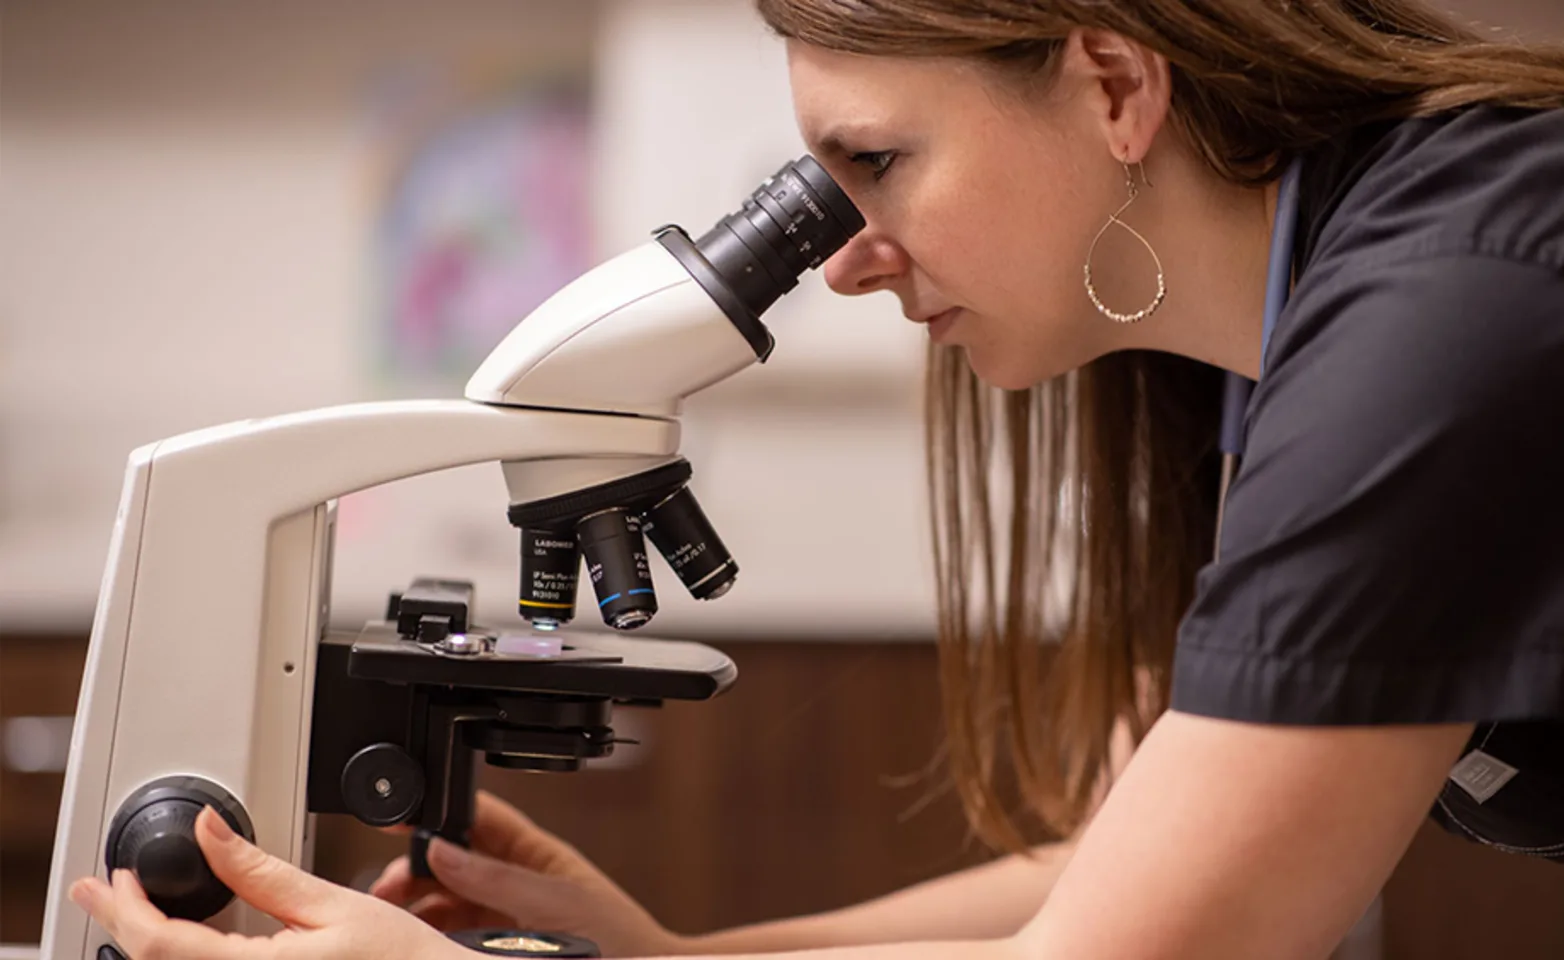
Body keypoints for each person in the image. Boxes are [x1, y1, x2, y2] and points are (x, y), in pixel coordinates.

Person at [69, 1, 1564, 957]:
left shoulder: (1446, 317)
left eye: (879, 160)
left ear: (1112, 82)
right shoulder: (1291, 343)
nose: (845, 257)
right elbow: (1106, 870)